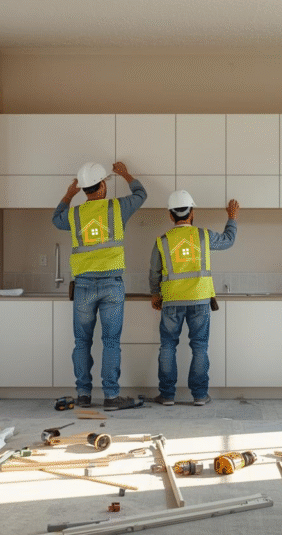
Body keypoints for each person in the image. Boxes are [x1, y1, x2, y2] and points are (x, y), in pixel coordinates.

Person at [52, 161, 146, 411]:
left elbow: (55, 219)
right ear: (103, 186)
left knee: (81, 342)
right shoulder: (118, 208)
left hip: (83, 286)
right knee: (111, 342)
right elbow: (141, 194)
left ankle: (83, 395)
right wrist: (126, 174)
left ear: (83, 189)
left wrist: (68, 195)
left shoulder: (73, 215)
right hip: (111, 286)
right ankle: (111, 397)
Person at [148, 191, 239, 406]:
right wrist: (232, 218)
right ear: (192, 213)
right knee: (199, 347)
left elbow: (154, 272)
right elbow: (228, 240)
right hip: (199, 300)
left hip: (171, 301)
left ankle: (167, 395)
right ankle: (199, 395)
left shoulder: (162, 241)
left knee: (168, 346)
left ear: (171, 216)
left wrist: (154, 293)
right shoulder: (203, 236)